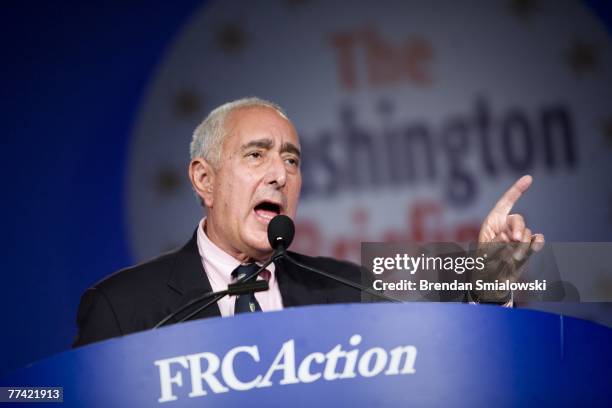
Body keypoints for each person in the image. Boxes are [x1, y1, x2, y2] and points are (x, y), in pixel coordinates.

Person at [72, 97, 544, 347]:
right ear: (204, 179)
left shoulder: (345, 293)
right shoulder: (123, 309)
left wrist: (488, 286)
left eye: (292, 161)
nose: (280, 174)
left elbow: (448, 351)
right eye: (256, 155)